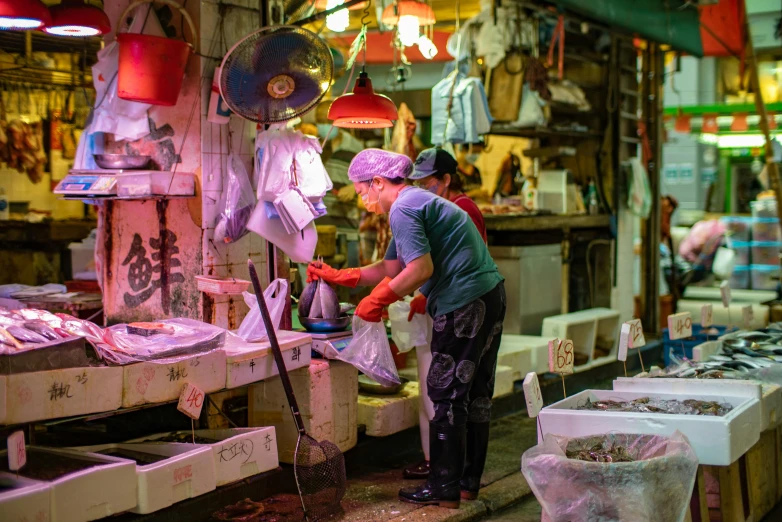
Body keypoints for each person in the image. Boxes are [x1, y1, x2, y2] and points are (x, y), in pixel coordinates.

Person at [308, 149, 506, 509]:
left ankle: (443, 489)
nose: (362, 199)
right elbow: (392, 266)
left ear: (378, 183)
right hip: (488, 295)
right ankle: (466, 484)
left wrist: (376, 301)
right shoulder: (417, 201)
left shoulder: (403, 207)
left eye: (361, 191)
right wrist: (340, 276)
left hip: (464, 301)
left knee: (445, 395)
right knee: (475, 395)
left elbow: (420, 270)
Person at [401, 147, 489, 480]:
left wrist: (424, 292)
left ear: (446, 180)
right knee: (439, 390)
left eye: (428, 182)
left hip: (466, 310)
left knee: (452, 394)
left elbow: (467, 265)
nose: (422, 188)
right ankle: (445, 469)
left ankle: (453, 475)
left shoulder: (464, 209)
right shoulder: (438, 208)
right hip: (448, 307)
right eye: (418, 182)